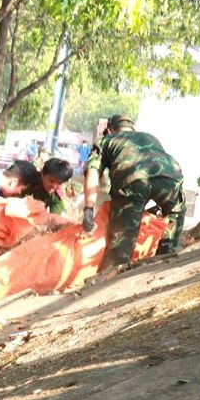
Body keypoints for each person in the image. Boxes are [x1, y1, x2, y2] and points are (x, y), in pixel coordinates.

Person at [82, 113, 184, 278]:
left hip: (132, 180)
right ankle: (164, 264)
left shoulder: (106, 140)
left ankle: (108, 280)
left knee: (122, 239)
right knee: (175, 214)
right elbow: (163, 166)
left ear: (109, 130)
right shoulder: (150, 137)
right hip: (170, 177)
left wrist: (88, 208)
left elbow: (93, 171)